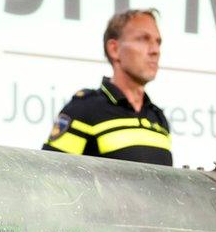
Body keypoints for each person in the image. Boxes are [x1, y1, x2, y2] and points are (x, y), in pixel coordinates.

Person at [42, 9, 172, 165]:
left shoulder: (158, 119)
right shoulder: (84, 109)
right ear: (114, 49)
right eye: (144, 39)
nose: (155, 50)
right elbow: (49, 177)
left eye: (158, 42)